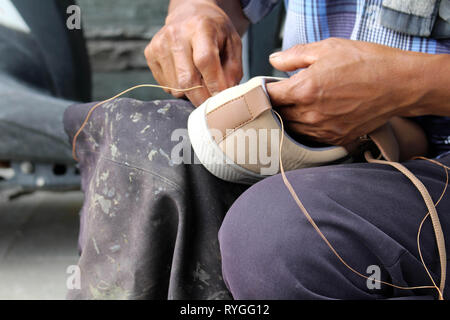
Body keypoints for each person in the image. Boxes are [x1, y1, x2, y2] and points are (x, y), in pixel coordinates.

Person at [65, 0, 450, 299]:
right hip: (316, 119)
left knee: (275, 238)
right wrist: (196, 10)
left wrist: (406, 86)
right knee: (136, 141)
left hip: (438, 150)